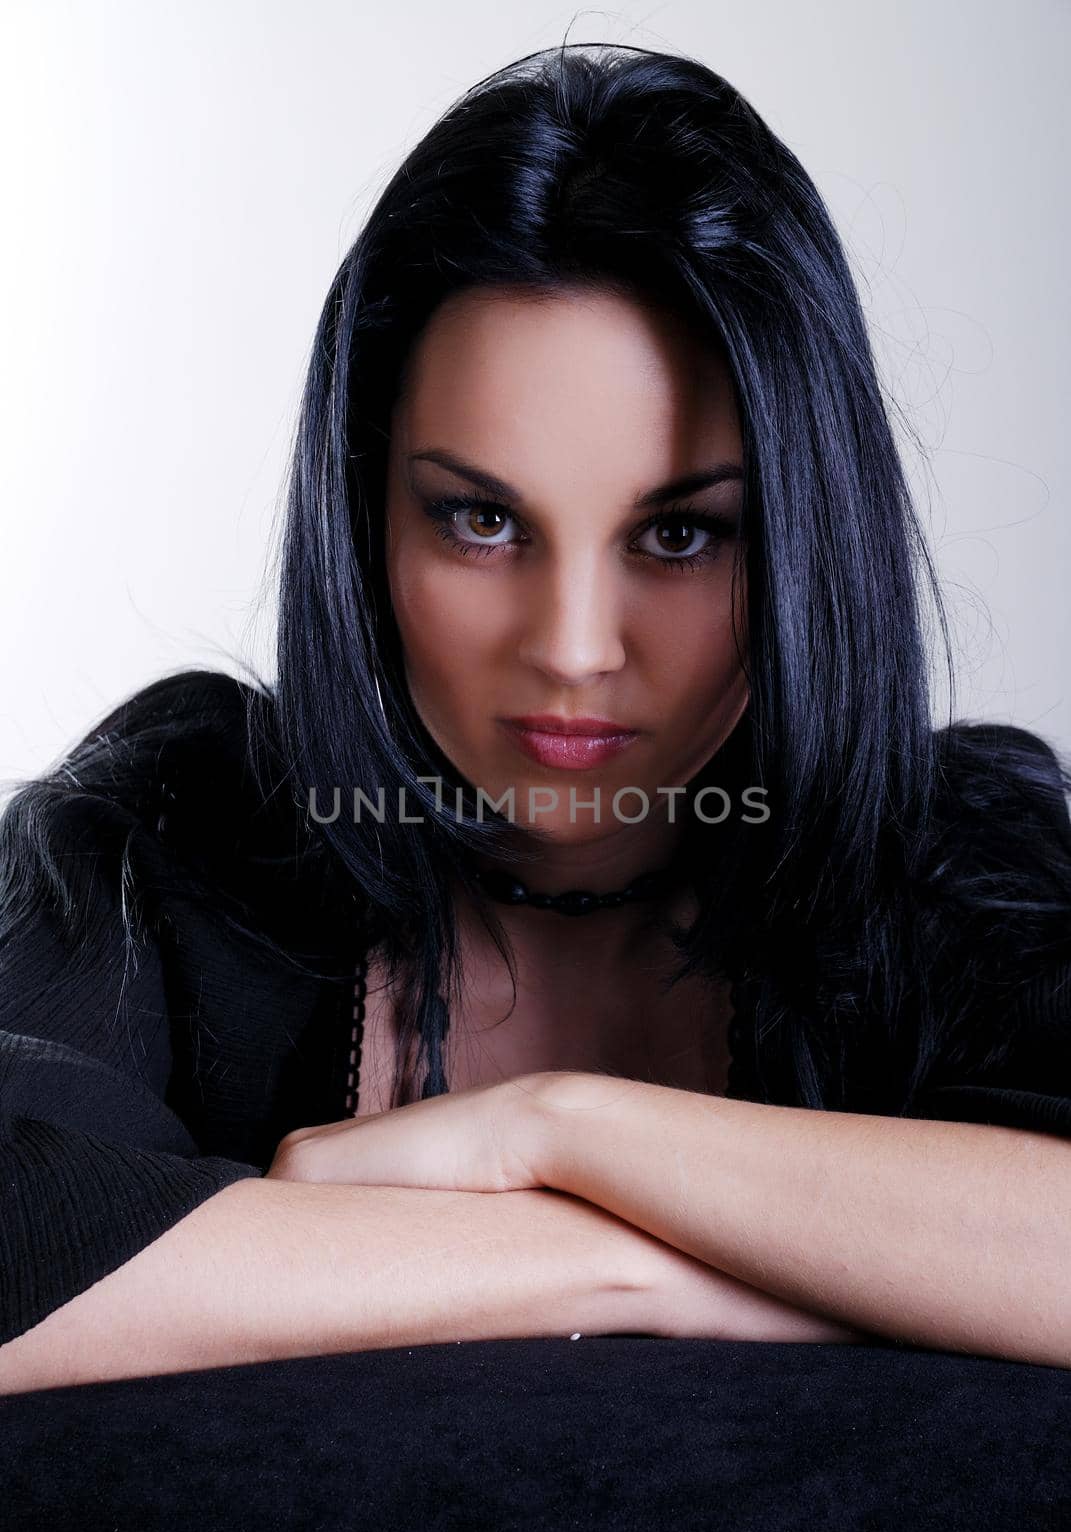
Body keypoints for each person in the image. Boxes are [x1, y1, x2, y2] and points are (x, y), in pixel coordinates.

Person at [2, 42, 1070, 1396]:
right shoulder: (172, 837)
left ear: (806, 537)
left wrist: (552, 1133)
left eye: (681, 534)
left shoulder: (955, 865)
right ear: (365, 513)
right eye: (482, 519)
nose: (574, 650)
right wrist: (639, 1267)